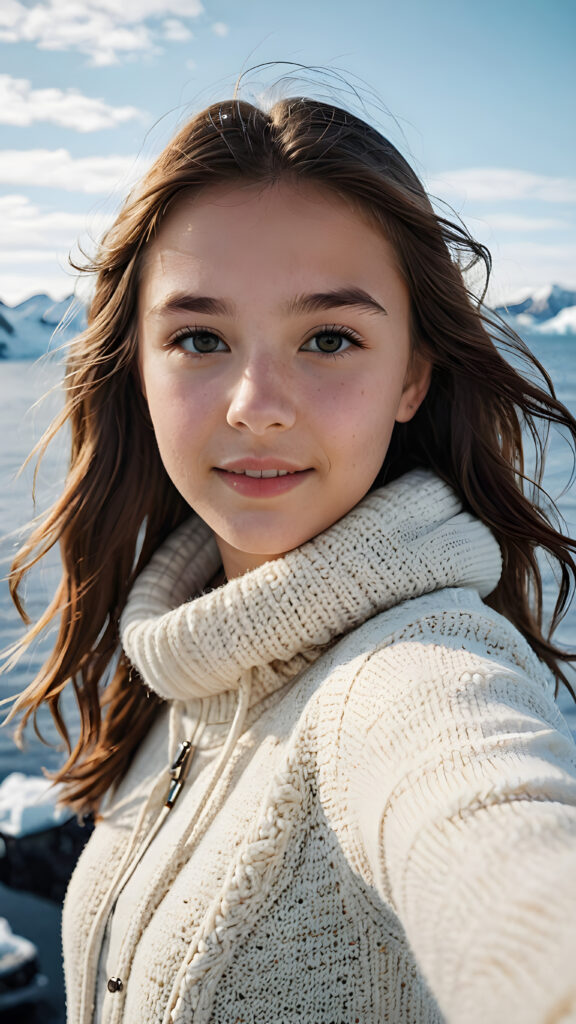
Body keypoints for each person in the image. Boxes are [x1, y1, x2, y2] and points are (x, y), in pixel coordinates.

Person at [4, 88, 576, 1024]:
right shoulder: (178, 664)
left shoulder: (416, 675)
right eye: (199, 339)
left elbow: (499, 839)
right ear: (138, 368)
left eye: (329, 338)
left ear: (413, 376)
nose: (256, 403)